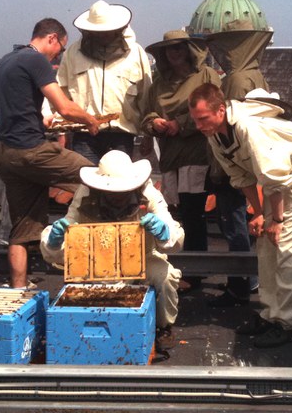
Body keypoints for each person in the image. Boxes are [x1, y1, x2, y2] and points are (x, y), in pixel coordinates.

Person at [188, 82, 292, 348]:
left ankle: (285, 323)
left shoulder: (250, 128)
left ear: (220, 110)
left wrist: (276, 219)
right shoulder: (214, 133)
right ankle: (269, 315)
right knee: (265, 244)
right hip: (279, 179)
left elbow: (275, 179)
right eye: (195, 120)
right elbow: (241, 177)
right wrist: (259, 215)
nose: (198, 126)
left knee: (287, 245)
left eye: (203, 119)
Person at [0, 18, 100, 288]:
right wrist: (90, 120)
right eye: (61, 48)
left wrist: (39, 122)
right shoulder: (35, 60)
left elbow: (15, 110)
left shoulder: (4, 62)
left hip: (7, 154)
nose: (58, 55)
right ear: (52, 38)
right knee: (98, 180)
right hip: (32, 150)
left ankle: (19, 287)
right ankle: (97, 270)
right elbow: (63, 106)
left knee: (22, 227)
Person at [40, 150, 184, 351]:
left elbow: (174, 235)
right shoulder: (85, 193)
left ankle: (164, 327)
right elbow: (68, 230)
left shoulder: (148, 193)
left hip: (143, 257)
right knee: (80, 287)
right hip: (99, 258)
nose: (117, 197)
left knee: (165, 276)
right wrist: (54, 242)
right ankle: (88, 329)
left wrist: (164, 233)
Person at [140, 30, 221, 292]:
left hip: (197, 154)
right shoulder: (158, 83)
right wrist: (155, 123)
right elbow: (147, 114)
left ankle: (196, 273)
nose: (174, 53)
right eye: (169, 49)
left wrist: (181, 124)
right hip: (171, 156)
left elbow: (215, 109)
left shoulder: (206, 76)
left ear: (189, 50)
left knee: (193, 212)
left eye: (179, 47)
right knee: (177, 211)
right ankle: (185, 267)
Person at [203, 20, 274, 306]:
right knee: (245, 224)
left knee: (235, 227)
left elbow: (227, 128)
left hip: (235, 166)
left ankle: (240, 285)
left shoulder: (236, 79)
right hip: (252, 162)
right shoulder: (256, 74)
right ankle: (250, 280)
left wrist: (220, 171)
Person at [56, 0, 152, 164]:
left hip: (122, 134)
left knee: (119, 186)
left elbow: (147, 97)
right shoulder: (73, 53)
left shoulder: (136, 53)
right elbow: (60, 93)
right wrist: (61, 132)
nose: (103, 35)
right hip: (84, 134)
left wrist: (148, 136)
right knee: (85, 186)